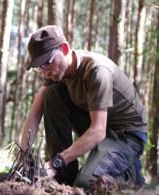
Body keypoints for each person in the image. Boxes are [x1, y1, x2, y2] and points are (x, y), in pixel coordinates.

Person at [18, 25, 147, 189]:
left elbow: (98, 131)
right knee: (51, 94)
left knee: (87, 184)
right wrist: (23, 157)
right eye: (40, 67)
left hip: (126, 135)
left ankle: (130, 173)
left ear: (64, 49)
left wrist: (57, 161)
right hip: (99, 126)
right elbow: (35, 114)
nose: (45, 72)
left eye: (47, 63)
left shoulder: (96, 71)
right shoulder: (56, 71)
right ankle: (64, 177)